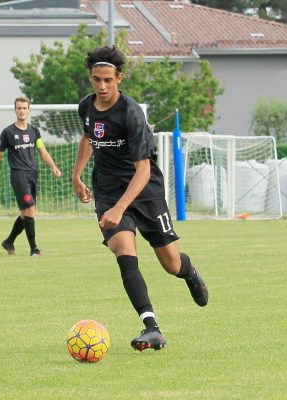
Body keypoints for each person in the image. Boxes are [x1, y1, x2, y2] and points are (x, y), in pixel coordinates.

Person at [72, 46, 208, 352]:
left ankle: (191, 272)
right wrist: (77, 175)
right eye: (96, 80)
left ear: (119, 78)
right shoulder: (86, 107)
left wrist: (122, 208)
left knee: (171, 264)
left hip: (144, 193)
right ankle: (151, 327)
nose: (102, 86)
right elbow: (87, 137)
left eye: (108, 79)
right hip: (107, 191)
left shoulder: (131, 113)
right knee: (124, 252)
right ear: (90, 78)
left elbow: (143, 171)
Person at [0, 97, 62, 256]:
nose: (22, 111)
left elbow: (42, 150)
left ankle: (9, 241)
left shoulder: (34, 131)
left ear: (28, 110)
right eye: (19, 108)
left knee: (26, 213)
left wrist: (53, 166)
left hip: (33, 174)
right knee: (30, 210)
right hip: (18, 175)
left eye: (24, 108)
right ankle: (34, 249)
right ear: (15, 110)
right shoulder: (8, 132)